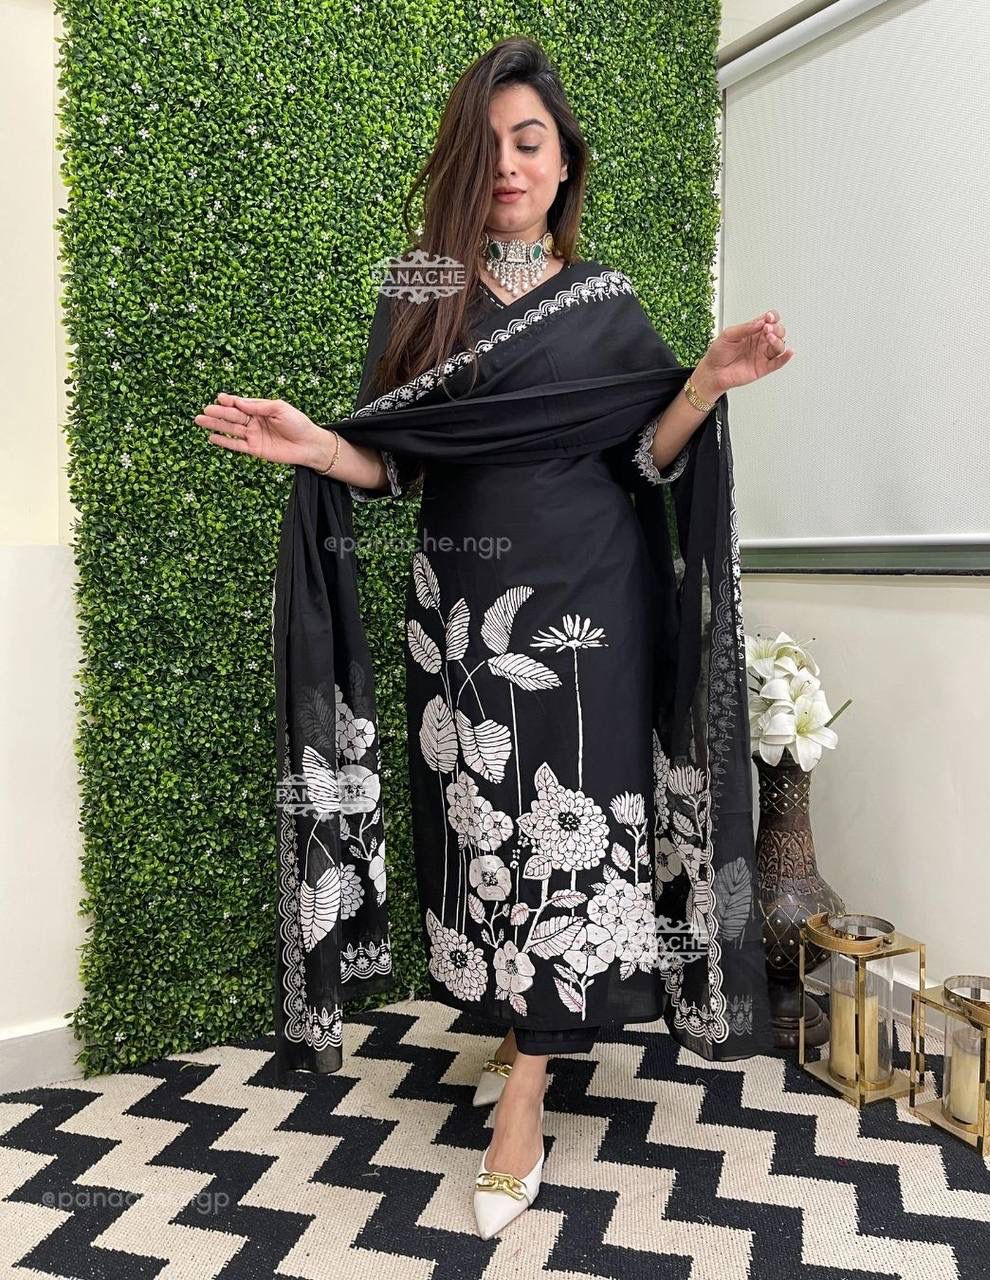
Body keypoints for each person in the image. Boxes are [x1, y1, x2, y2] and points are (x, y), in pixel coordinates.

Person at [195, 35, 792, 1242]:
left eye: (532, 143)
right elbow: (393, 465)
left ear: (565, 164)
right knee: (486, 816)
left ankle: (527, 1084)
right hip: (464, 613)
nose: (511, 165)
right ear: (465, 166)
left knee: (572, 811)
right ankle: (523, 1023)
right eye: (490, 146)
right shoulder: (422, 296)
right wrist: (319, 446)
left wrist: (703, 384)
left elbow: (645, 459)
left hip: (592, 607)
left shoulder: (603, 300)